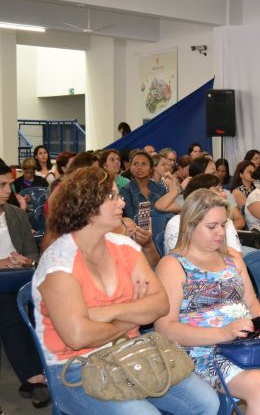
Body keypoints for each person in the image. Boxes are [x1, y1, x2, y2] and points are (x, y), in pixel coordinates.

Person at [32, 166, 219, 414]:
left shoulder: (125, 247)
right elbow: (78, 337)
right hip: (75, 368)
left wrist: (105, 313)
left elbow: (160, 304)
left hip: (132, 353)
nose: (121, 202)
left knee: (207, 402)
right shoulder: (58, 263)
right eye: (112, 196)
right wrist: (132, 318)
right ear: (86, 205)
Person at [154, 189, 260, 413]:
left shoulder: (232, 257)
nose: (220, 232)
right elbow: (165, 328)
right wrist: (222, 333)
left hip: (244, 346)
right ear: (190, 226)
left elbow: (251, 302)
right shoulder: (173, 265)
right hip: (201, 352)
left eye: (223, 224)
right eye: (212, 226)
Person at [0, 159, 50, 409]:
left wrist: (24, 260)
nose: (8, 190)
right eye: (2, 185)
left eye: (9, 184)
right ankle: (33, 376)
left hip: (19, 278)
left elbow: (32, 253)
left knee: (38, 309)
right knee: (10, 311)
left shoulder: (17, 214)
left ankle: (41, 371)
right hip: (3, 285)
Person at [164, 174, 242, 255]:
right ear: (199, 195)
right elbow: (181, 258)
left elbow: (236, 254)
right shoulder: (177, 223)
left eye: (222, 189)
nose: (224, 194)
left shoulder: (224, 220)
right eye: (211, 226)